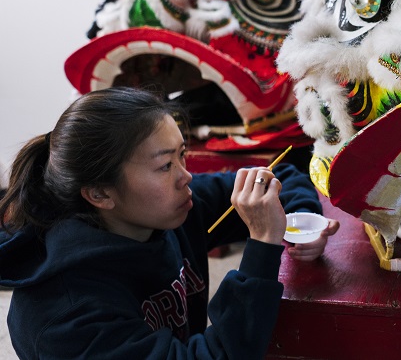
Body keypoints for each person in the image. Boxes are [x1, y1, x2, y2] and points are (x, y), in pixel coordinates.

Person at [0, 86, 339, 359]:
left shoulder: (167, 209)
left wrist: (298, 225)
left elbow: (280, 176)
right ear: (100, 194)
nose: (186, 176)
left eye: (182, 154)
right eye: (165, 166)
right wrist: (263, 243)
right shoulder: (65, 316)